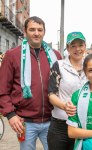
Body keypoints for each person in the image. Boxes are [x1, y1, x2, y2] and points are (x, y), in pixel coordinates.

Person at [0, 16, 61, 150]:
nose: (36, 33)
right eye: (32, 29)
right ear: (25, 31)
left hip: (52, 120)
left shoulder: (56, 55)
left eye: (40, 30)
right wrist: (10, 115)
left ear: (44, 32)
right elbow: (2, 89)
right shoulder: (12, 55)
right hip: (25, 122)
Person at [47, 31, 87, 150]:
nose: (77, 49)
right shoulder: (59, 66)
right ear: (68, 48)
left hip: (83, 124)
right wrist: (64, 106)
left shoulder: (90, 66)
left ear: (85, 46)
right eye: (73, 46)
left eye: (80, 45)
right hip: (60, 124)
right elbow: (51, 94)